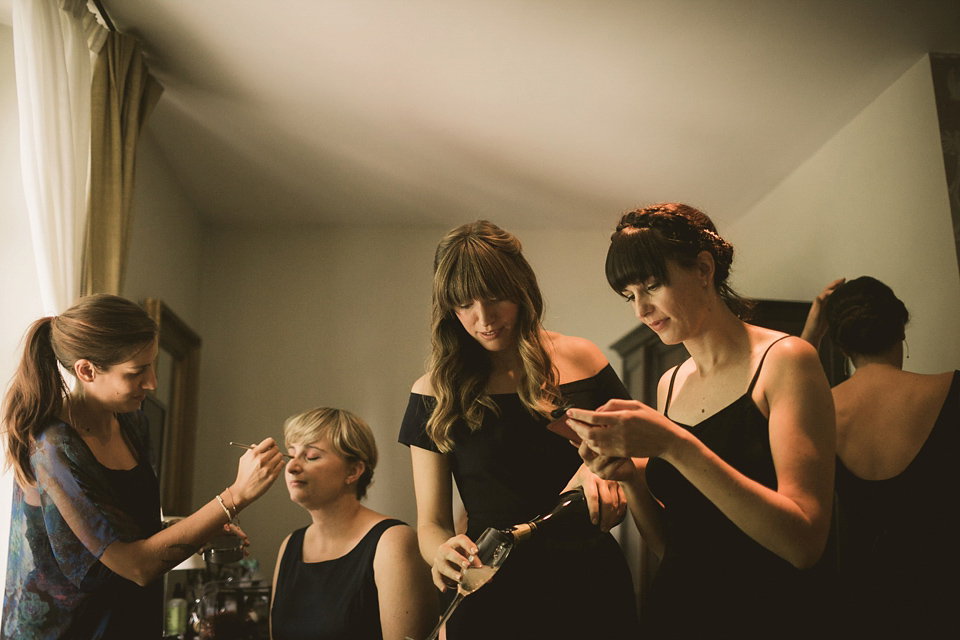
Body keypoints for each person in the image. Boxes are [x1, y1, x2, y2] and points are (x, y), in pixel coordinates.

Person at [565, 204, 836, 638]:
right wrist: (632, 481)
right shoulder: (669, 384)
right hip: (680, 615)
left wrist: (675, 445)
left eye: (652, 285)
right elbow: (677, 550)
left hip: (770, 616)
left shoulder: (785, 361)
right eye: (629, 295)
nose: (641, 309)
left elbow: (803, 544)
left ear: (704, 268)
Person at [399, 220, 640, 640]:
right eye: (464, 305)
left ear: (521, 289)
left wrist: (601, 469)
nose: (483, 319)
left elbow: (639, 449)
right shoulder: (432, 393)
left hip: (587, 578)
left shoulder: (582, 360)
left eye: (495, 299)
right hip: (489, 582)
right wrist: (440, 552)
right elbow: (431, 522)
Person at [2, 294, 284, 640]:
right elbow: (134, 564)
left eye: (152, 365)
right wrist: (235, 496)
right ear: (87, 370)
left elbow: (128, 529)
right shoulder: (54, 448)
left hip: (130, 622)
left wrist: (202, 532)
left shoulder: (133, 424)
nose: (151, 383)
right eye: (137, 372)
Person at [802, 276, 957, 636]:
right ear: (900, 330)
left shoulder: (820, 412)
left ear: (843, 349)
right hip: (946, 590)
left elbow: (775, 406)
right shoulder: (951, 389)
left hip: (862, 600)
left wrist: (811, 334)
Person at [270, 407, 436, 640]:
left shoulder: (393, 542)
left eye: (311, 456)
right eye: (291, 454)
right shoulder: (290, 545)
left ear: (353, 471)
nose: (292, 467)